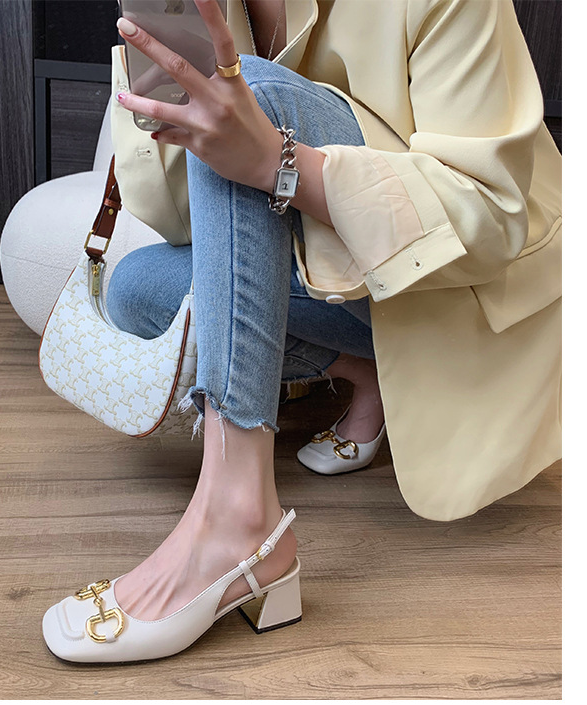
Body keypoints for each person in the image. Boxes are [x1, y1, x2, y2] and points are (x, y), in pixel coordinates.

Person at [41, 0, 561, 663]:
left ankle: (236, 518)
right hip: (353, 285)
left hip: (463, 287)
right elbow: (183, 220)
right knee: (140, 288)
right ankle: (368, 371)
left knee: (247, 92)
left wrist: (274, 162)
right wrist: (168, 78)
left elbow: (491, 213)